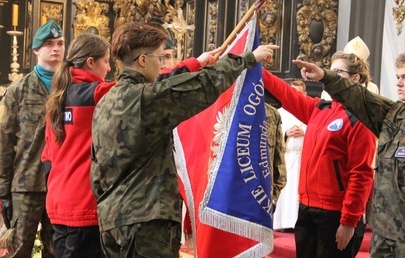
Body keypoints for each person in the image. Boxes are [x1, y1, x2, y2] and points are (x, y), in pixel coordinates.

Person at [89, 22, 277, 257]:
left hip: (111, 219)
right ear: (143, 60)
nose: (162, 63)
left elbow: (96, 171)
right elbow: (203, 85)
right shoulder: (146, 99)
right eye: (160, 56)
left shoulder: (106, 102)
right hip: (144, 221)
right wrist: (247, 58)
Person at [294, 49, 405, 257]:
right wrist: (324, 76)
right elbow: (359, 96)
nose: (399, 83)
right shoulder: (393, 114)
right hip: (383, 229)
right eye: (398, 77)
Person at [262, 52, 377, 257]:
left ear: (355, 78)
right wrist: (254, 66)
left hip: (335, 213)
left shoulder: (360, 117)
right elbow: (285, 93)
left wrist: (349, 221)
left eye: (337, 72)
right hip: (307, 207)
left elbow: (361, 174)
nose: (328, 76)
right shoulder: (320, 108)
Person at [0, 21, 64, 257]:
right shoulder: (18, 91)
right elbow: (2, 144)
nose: (56, 49)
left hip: (60, 183)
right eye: (49, 44)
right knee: (19, 250)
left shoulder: (71, 88)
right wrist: (3, 191)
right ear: (36, 50)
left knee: (57, 251)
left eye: (60, 43)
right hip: (26, 185)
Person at [40, 33, 113, 258]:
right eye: (106, 61)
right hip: (84, 205)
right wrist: (195, 64)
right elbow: (147, 89)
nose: (109, 68)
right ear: (91, 62)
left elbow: (47, 158)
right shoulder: (98, 94)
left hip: (59, 204)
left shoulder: (57, 99)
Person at [273, 80, 307, 231]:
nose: (295, 96)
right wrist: (286, 133)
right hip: (286, 158)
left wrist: (305, 132)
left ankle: (299, 222)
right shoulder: (280, 113)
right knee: (286, 192)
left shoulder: (309, 111)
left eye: (298, 93)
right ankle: (283, 222)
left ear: (305, 94)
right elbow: (272, 136)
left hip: (303, 158)